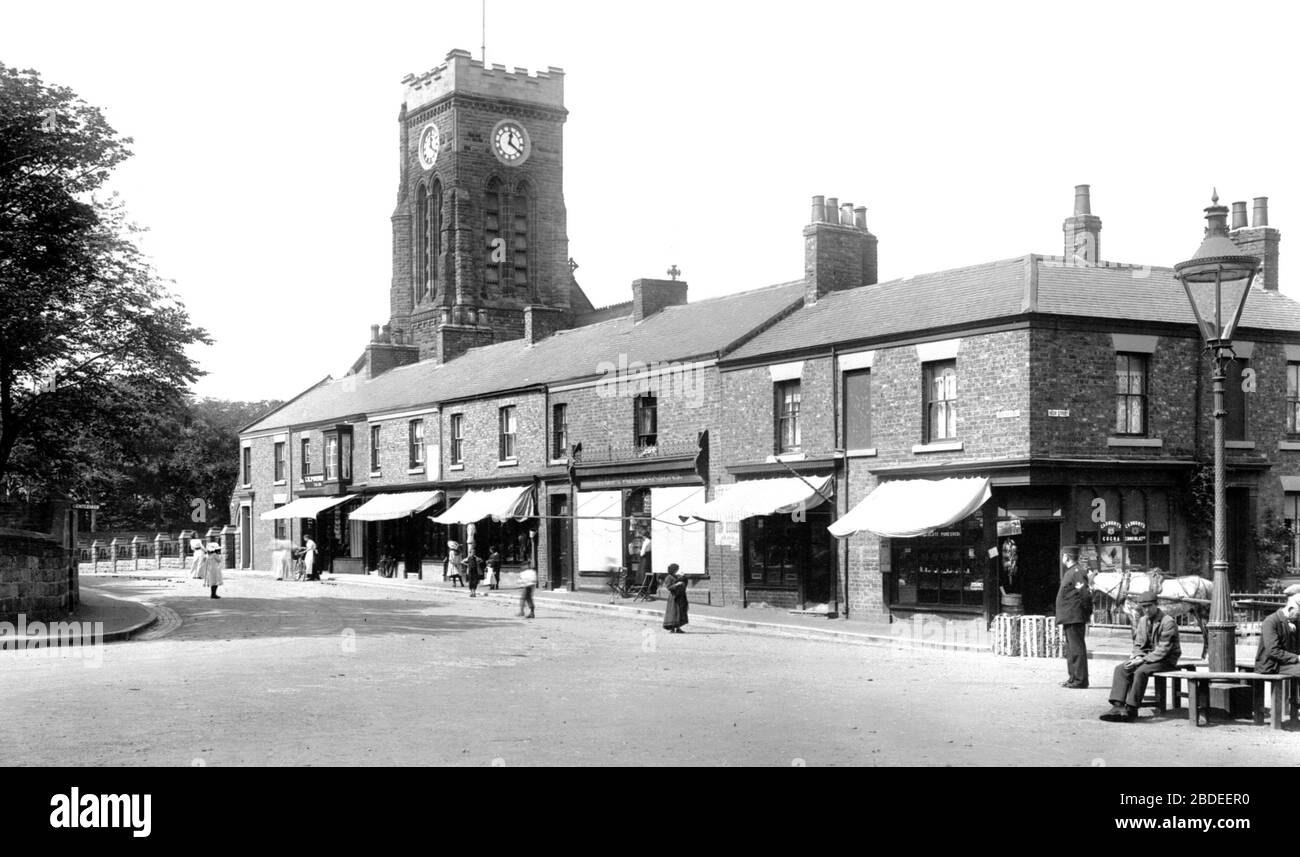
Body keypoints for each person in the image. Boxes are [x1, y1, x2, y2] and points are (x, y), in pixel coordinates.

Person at [1100, 590, 1180, 722]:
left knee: (1141, 671)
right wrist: (1136, 657)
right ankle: (1118, 707)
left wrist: (1141, 660)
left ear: (1156, 604)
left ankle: (1131, 709)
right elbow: (1138, 644)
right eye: (1144, 607)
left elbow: (1164, 649)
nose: (1146, 610)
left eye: (1149, 606)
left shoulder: (1168, 621)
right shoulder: (1143, 620)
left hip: (1166, 659)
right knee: (1121, 668)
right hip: (1148, 657)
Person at [1055, 548, 1092, 689]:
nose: (1062, 558)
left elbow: (1085, 595)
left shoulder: (1077, 572)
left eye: (1063, 556)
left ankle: (1080, 680)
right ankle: (1073, 677)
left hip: (1075, 616)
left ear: (1067, 557)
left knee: (1077, 649)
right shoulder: (1071, 572)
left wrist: (1086, 613)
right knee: (1071, 649)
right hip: (1069, 616)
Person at [1255, 594, 1300, 676]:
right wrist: (1297, 658)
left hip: (1288, 664)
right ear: (1290, 609)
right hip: (1272, 665)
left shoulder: (1295, 622)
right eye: (1298, 614)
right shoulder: (1271, 621)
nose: (1299, 617)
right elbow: (1273, 651)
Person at [662, 562, 689, 633]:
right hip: (674, 597)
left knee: (679, 612)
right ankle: (672, 628)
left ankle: (678, 627)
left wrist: (683, 578)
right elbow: (669, 587)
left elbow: (682, 581)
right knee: (673, 612)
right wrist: (677, 584)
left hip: (680, 596)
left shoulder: (676, 576)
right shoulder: (668, 577)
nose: (677, 571)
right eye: (676, 569)